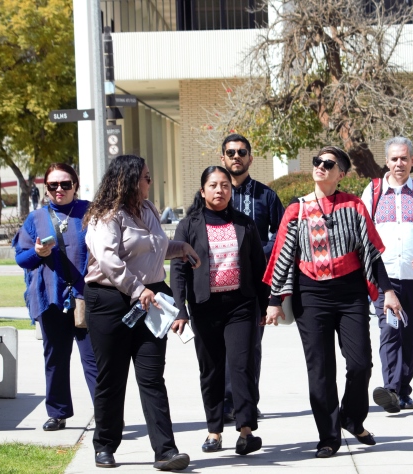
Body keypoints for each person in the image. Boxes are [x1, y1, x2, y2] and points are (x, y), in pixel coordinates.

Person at [264, 146, 402, 459]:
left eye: (329, 164)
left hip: (349, 293)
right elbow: (283, 258)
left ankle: (352, 417)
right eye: (317, 162)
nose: (321, 167)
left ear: (341, 173)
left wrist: (388, 291)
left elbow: (372, 251)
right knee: (321, 370)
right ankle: (328, 435)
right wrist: (274, 300)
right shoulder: (295, 210)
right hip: (310, 296)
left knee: (360, 363)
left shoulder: (354, 206)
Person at [83, 155, 201, 469]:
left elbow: (153, 247)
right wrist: (137, 290)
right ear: (131, 180)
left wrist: (180, 248)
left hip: (151, 300)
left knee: (151, 377)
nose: (151, 180)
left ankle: (165, 451)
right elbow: (108, 259)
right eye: (147, 177)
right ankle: (105, 445)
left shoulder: (147, 210)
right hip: (109, 302)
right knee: (112, 377)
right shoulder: (105, 216)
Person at [171, 166, 269, 455]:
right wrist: (180, 310)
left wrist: (265, 306)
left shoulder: (245, 224)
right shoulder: (188, 225)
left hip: (240, 306)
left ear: (231, 190)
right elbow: (178, 271)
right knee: (211, 370)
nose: (219, 190)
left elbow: (258, 268)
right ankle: (214, 431)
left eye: (225, 185)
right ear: (203, 191)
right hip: (204, 307)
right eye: (213, 185)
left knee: (241, 367)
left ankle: (246, 431)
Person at [13, 163, 97, 432]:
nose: (59, 189)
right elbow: (21, 259)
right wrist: (39, 253)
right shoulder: (35, 218)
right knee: (55, 359)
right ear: (46, 188)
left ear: (76, 184)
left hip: (87, 299)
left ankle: (106, 414)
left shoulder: (91, 212)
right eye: (53, 185)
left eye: (65, 184)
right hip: (50, 299)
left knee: (94, 360)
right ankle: (57, 413)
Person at [360, 137, 413, 413]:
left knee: (410, 333)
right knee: (389, 330)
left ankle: (403, 390)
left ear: (412, 161)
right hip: (384, 278)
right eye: (394, 159)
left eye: (404, 158)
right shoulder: (372, 192)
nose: (399, 163)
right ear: (387, 161)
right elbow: (364, 234)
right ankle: (392, 390)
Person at [219, 133, 285, 421]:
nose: (236, 156)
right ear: (223, 158)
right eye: (231, 152)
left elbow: (282, 235)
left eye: (242, 152)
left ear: (250, 158)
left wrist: (256, 250)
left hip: (255, 285)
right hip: (217, 283)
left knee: (249, 347)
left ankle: (247, 402)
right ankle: (224, 403)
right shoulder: (213, 193)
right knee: (219, 347)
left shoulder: (266, 195)